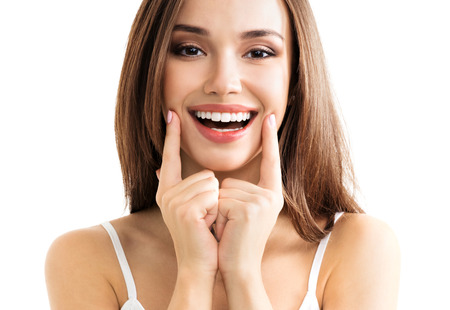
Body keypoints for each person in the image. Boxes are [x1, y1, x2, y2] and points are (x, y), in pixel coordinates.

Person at [45, 0, 401, 309]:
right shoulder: (86, 258)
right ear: (152, 71)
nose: (224, 81)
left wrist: (243, 273)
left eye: (259, 52)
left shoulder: (358, 248)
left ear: (295, 79)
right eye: (190, 49)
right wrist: (194, 275)